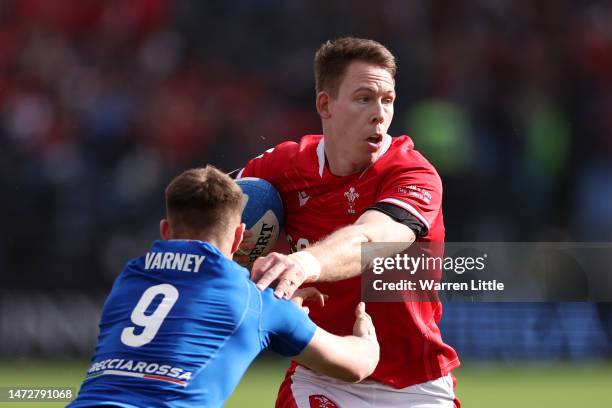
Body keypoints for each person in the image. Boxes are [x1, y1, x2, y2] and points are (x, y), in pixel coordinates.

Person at [234, 37, 460, 407]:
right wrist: (239, 263)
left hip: (416, 383)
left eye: (387, 100)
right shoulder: (281, 167)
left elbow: (372, 236)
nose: (379, 113)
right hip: (321, 375)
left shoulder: (412, 172)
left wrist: (304, 263)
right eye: (363, 98)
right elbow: (209, 213)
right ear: (325, 104)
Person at [68, 166, 379, 408]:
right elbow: (355, 365)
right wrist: (368, 339)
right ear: (239, 236)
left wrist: (278, 312)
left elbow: (183, 305)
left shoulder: (130, 278)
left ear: (165, 230)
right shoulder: (255, 303)